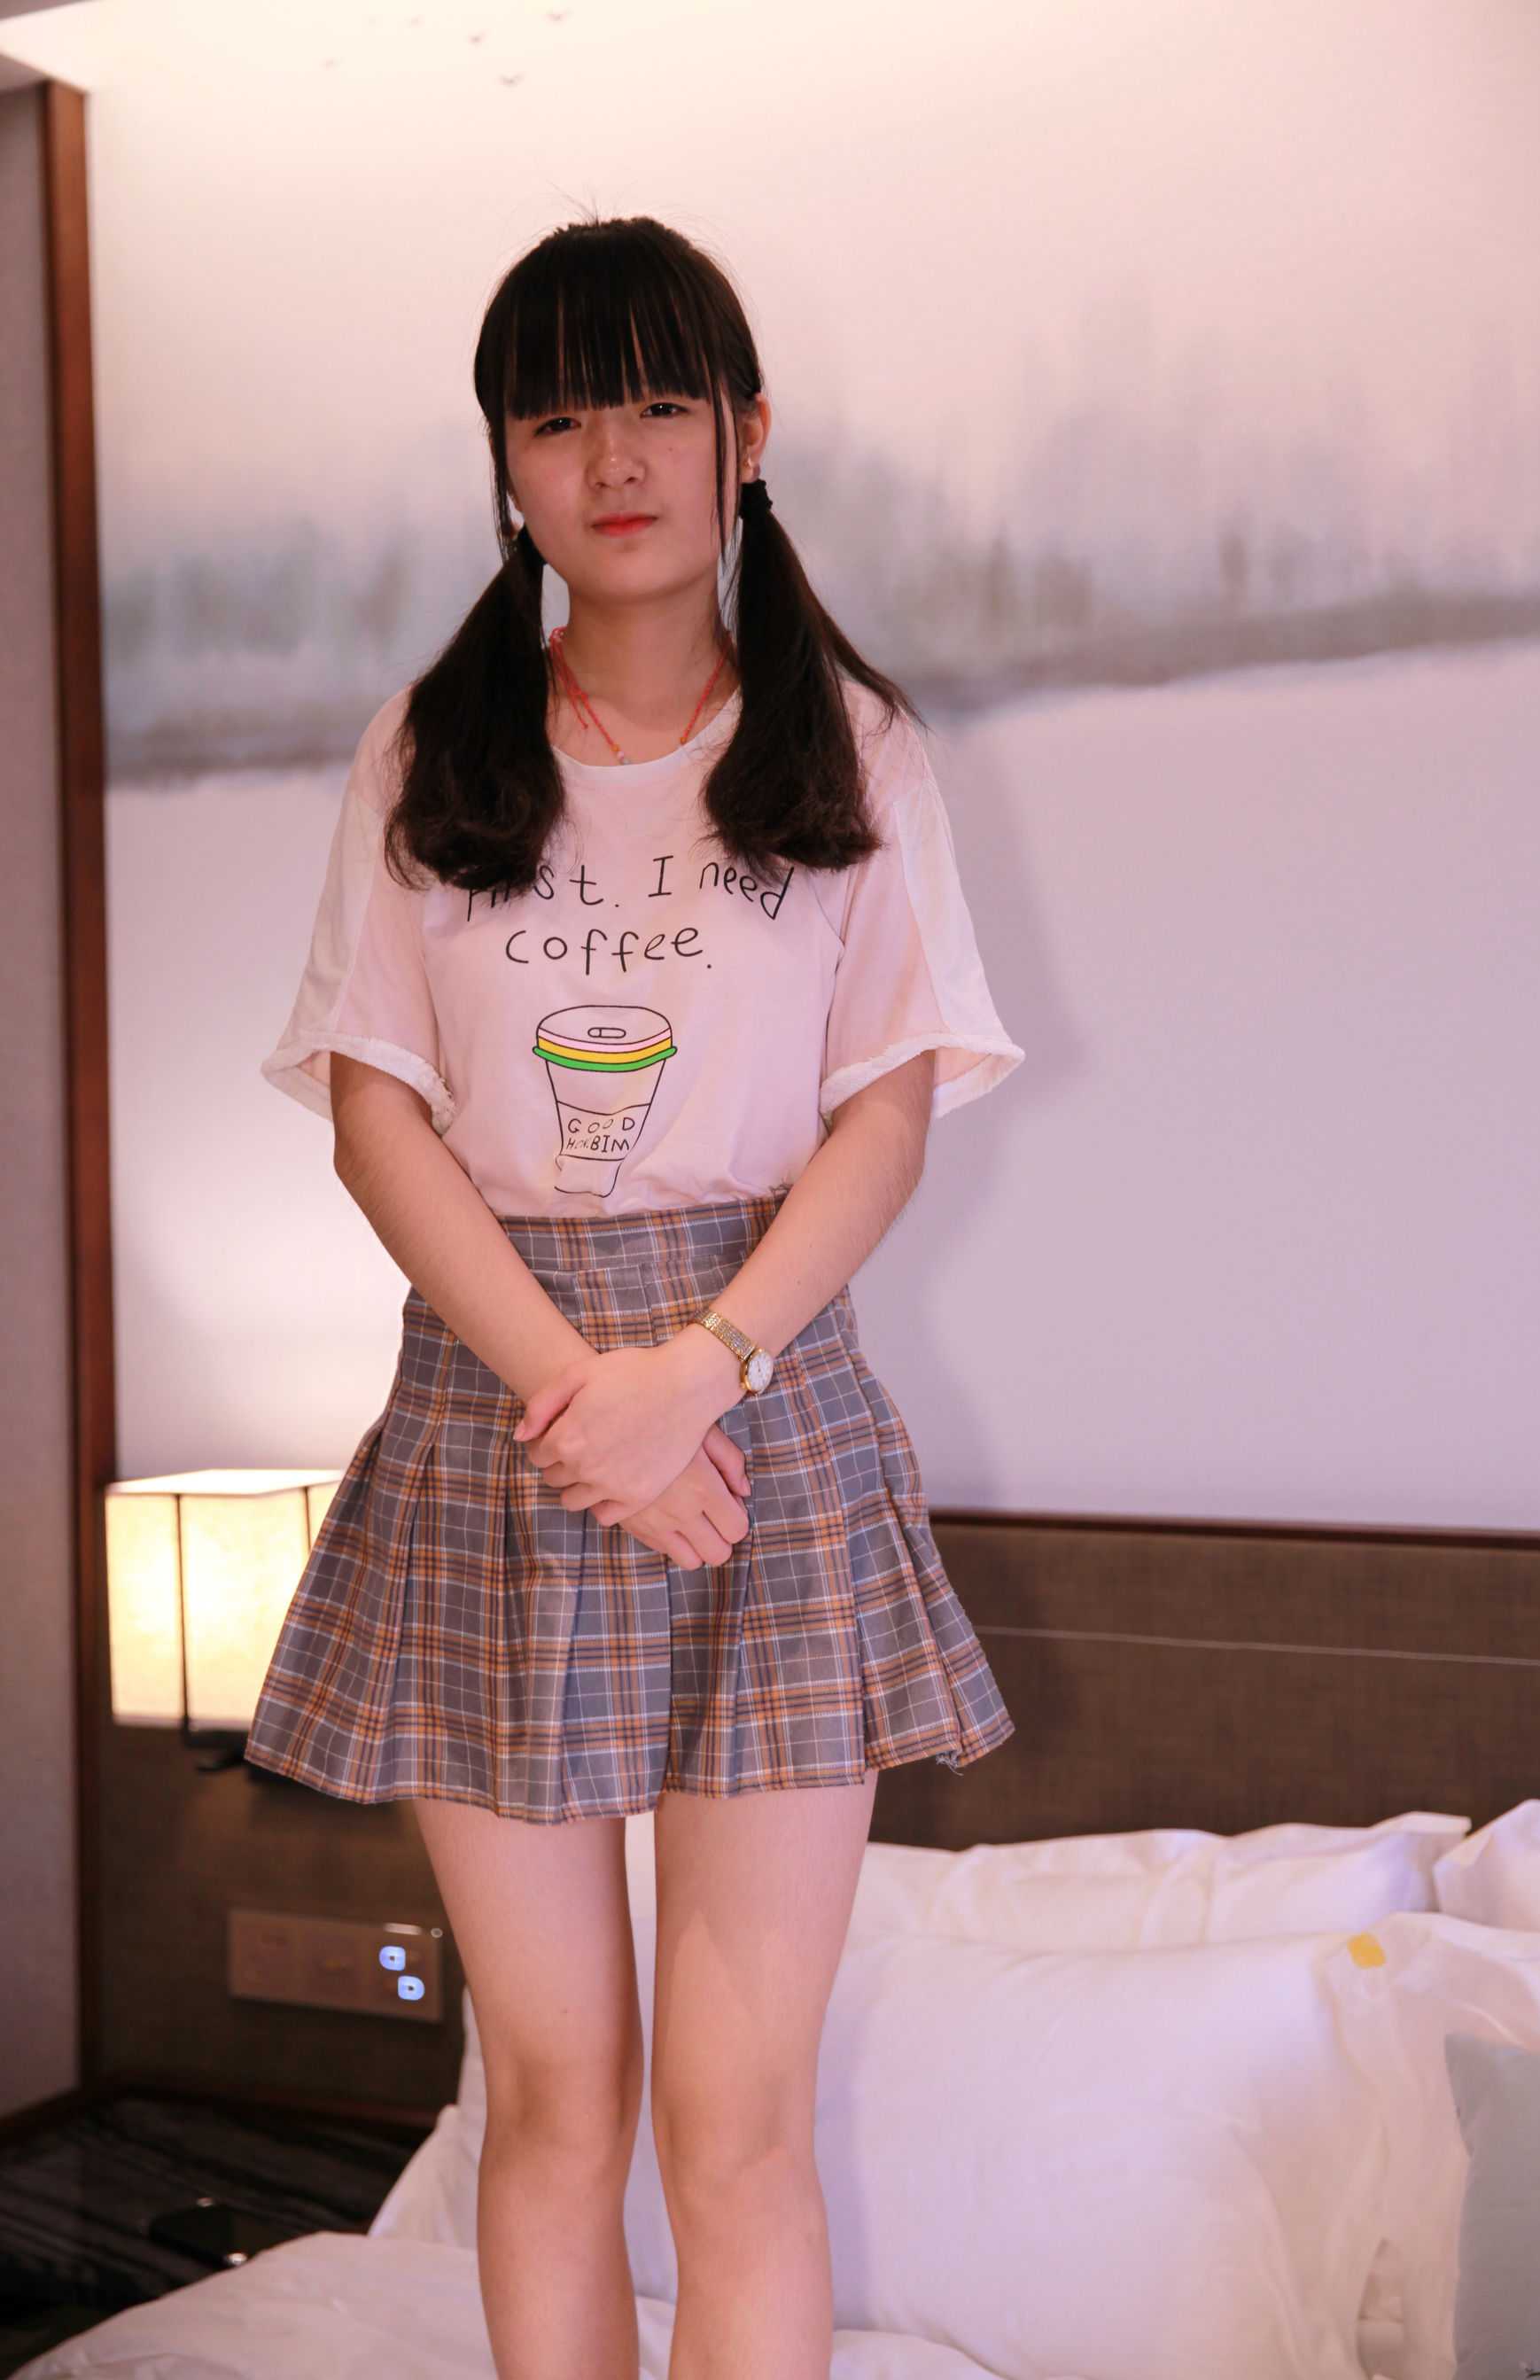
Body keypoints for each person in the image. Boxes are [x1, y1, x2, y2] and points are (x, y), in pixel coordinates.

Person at [245, 212, 1025, 2380]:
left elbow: (885, 1113)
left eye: (661, 405)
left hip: (764, 1410)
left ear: (745, 435)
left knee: (734, 2117)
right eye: (559, 415)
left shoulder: (851, 749)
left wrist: (701, 1368)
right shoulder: (429, 746)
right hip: (498, 1413)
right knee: (553, 2093)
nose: (614, 459)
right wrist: (585, 1396)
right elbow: (377, 1113)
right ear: (506, 461)